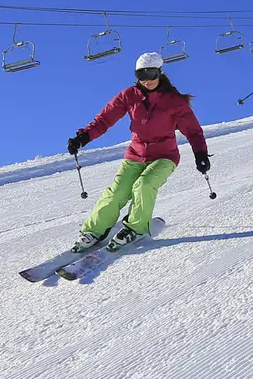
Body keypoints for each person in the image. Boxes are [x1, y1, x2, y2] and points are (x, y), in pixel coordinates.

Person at [64, 52, 210, 253]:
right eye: (141, 75)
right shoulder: (129, 95)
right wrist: (84, 137)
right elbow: (105, 119)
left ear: (160, 72)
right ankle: (94, 231)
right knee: (117, 193)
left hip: (164, 156)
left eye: (151, 74)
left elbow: (193, 131)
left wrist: (200, 154)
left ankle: (136, 228)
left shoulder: (174, 101)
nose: (146, 80)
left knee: (144, 184)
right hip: (135, 154)